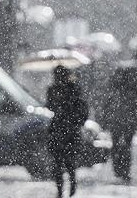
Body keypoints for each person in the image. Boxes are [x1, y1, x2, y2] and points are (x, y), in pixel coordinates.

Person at [46, 65, 89, 198]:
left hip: (66, 129)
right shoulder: (55, 89)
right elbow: (49, 105)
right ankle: (63, 189)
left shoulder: (72, 89)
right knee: (61, 162)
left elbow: (80, 108)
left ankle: (69, 186)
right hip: (62, 129)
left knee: (65, 162)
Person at [102, 69, 137, 182]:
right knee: (126, 148)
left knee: (117, 147)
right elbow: (135, 110)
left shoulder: (113, 94)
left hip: (117, 124)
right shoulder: (131, 94)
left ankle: (119, 169)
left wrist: (106, 122)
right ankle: (124, 170)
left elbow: (106, 109)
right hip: (127, 124)